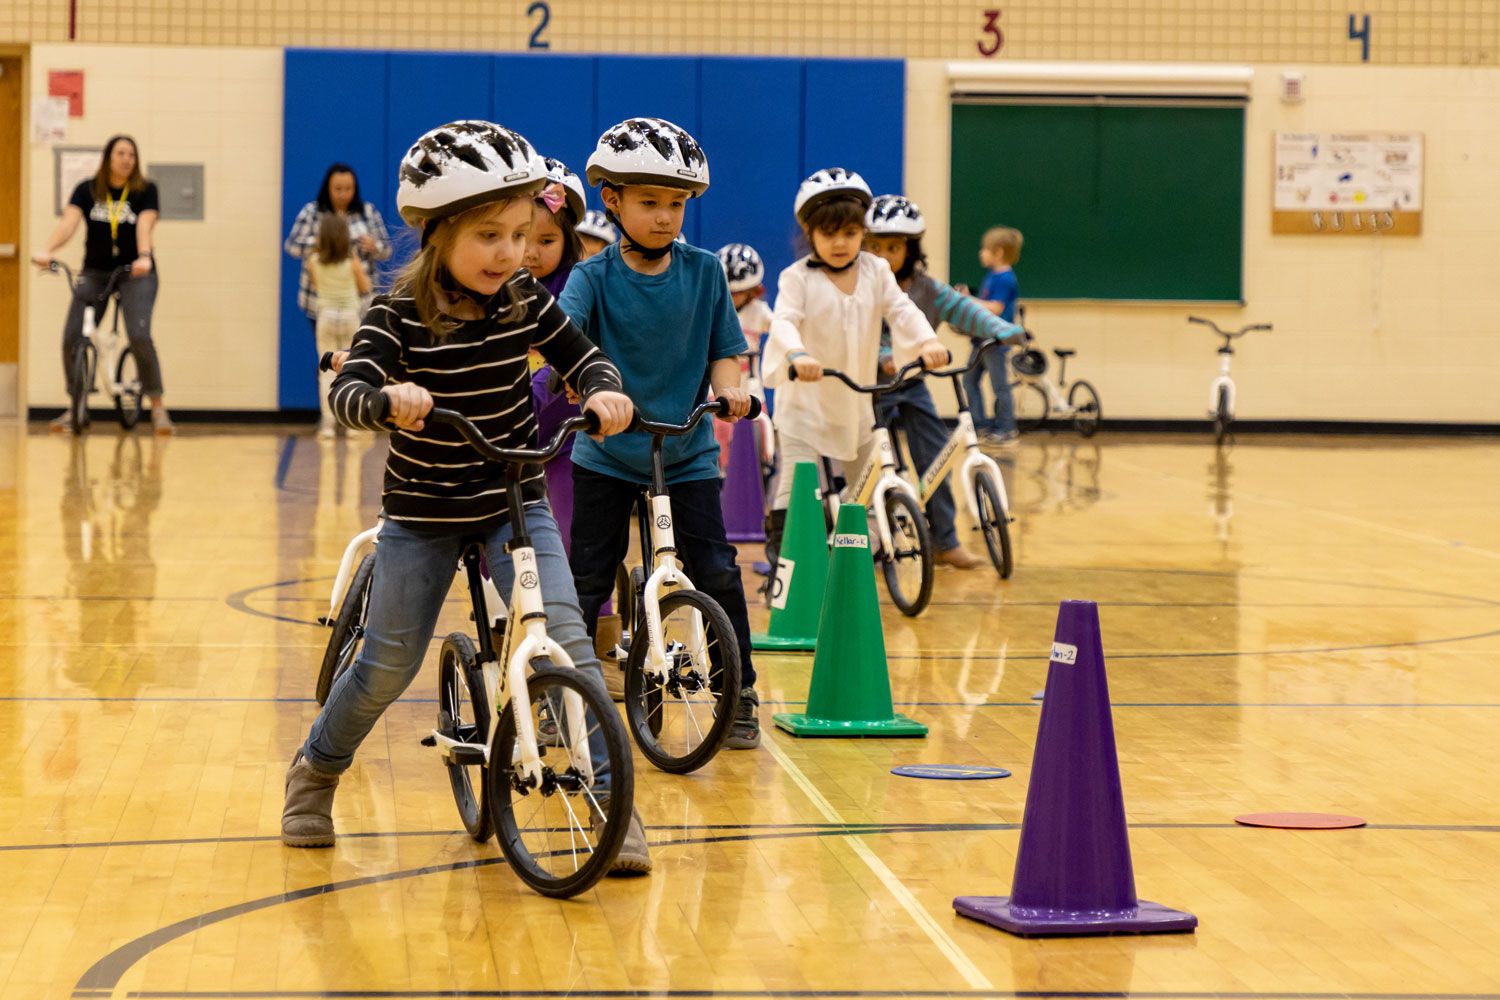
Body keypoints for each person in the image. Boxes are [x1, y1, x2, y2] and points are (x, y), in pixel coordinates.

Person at [280, 120, 647, 872]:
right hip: (421, 514)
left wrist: (605, 392)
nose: (511, 254)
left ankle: (613, 804)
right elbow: (350, 389)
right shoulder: (396, 312)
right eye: (490, 236)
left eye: (520, 234)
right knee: (386, 666)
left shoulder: (522, 300)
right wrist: (384, 399)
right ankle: (316, 769)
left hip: (515, 501)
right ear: (438, 233)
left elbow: (583, 357)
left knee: (570, 642)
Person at [557, 117, 762, 756]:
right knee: (587, 576)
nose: (666, 217)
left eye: (676, 204)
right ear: (612, 201)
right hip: (608, 453)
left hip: (687, 450)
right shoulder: (593, 277)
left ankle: (741, 690)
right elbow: (567, 340)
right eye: (649, 203)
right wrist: (584, 384)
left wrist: (729, 392)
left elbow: (726, 350)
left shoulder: (704, 274)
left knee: (719, 572)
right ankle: (559, 698)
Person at [760, 169, 949, 550]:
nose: (841, 243)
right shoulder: (797, 278)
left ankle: (859, 556)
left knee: (869, 483)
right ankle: (782, 567)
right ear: (810, 234)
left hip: (855, 401)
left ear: (864, 232)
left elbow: (902, 310)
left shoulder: (876, 270)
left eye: (850, 233)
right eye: (829, 234)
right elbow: (784, 321)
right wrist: (797, 354)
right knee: (796, 486)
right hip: (806, 403)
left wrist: (928, 342)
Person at [863, 195, 1027, 567]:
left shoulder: (925, 287)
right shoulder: (859, 286)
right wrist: (882, 357)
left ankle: (944, 540)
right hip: (868, 390)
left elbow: (963, 309)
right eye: (874, 247)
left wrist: (1005, 330)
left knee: (936, 453)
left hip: (911, 384)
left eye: (893, 247)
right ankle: (865, 539)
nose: (884, 256)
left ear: (912, 249)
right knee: (866, 463)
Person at [32, 134, 176, 434]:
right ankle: (76, 405)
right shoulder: (87, 190)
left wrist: (145, 256)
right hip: (96, 271)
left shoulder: (145, 190)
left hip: (134, 271)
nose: (127, 159)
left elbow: (144, 224)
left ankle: (158, 406)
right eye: (121, 153)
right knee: (72, 337)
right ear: (108, 157)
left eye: (132, 155)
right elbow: (69, 224)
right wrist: (47, 250)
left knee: (138, 334)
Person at [284, 163, 392, 328]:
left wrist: (374, 246)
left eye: (348, 189)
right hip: (320, 301)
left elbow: (386, 250)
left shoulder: (367, 212)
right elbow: (292, 246)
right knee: (328, 351)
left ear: (355, 189)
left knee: (357, 351)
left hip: (359, 302)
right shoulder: (312, 212)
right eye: (338, 189)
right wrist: (318, 243)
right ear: (327, 188)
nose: (343, 194)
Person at [305, 214, 371, 438]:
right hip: (350, 316)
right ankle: (352, 426)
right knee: (353, 370)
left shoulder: (313, 261)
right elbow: (365, 286)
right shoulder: (351, 260)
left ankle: (327, 426)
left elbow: (315, 284)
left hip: (326, 316)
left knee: (326, 373)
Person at [967, 225, 1025, 444]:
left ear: (998, 252)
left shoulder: (1005, 278)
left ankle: (1006, 428)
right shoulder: (992, 276)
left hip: (996, 341)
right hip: (982, 338)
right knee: (969, 381)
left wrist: (968, 301)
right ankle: (979, 425)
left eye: (985, 249)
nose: (981, 253)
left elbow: (996, 307)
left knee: (999, 385)